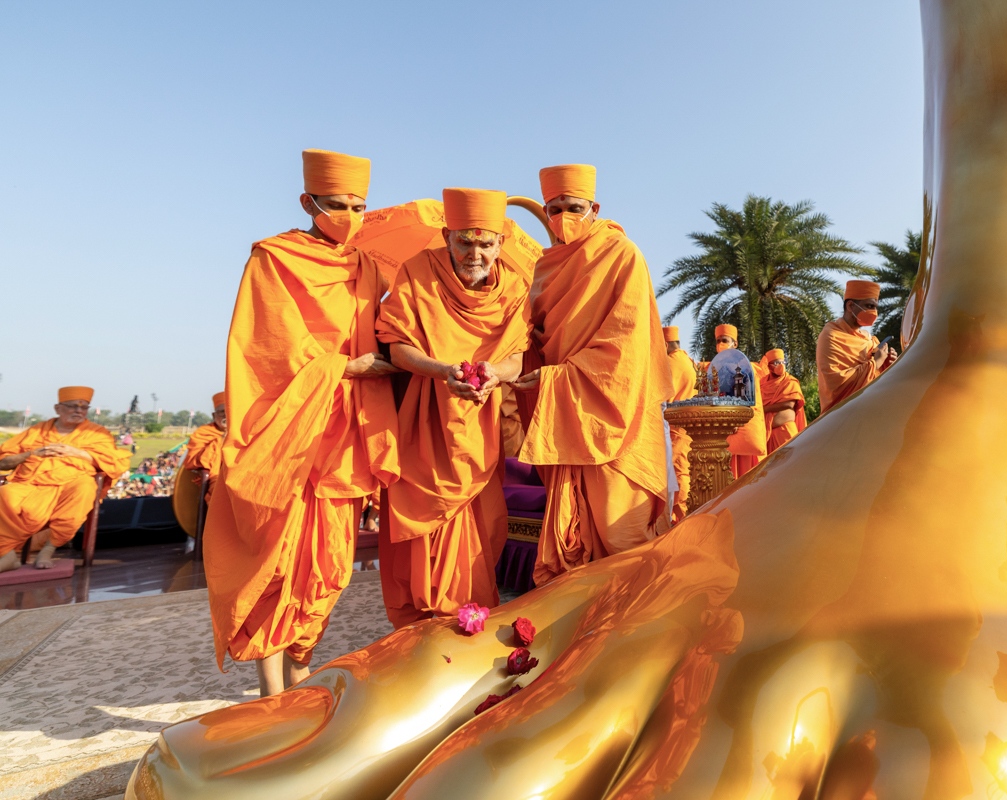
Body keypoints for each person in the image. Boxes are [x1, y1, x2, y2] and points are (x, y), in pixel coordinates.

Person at [203, 148, 400, 697]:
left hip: (346, 432)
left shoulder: (368, 267)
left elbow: (384, 328)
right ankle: (273, 691)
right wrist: (346, 366)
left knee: (329, 568)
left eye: (358, 206)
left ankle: (301, 668)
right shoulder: (273, 259)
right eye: (336, 205)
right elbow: (268, 348)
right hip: (288, 434)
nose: (348, 217)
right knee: (278, 561)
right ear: (307, 202)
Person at [376, 188, 532, 627]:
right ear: (447, 236)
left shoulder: (516, 287)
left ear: (500, 243)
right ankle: (421, 625)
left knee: (481, 524)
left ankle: (466, 620)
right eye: (464, 242)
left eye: (486, 244)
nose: (474, 254)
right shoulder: (417, 272)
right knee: (422, 528)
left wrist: (494, 374)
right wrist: (443, 371)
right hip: (425, 420)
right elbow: (397, 346)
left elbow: (519, 356)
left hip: (480, 426)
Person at [511, 164, 672, 584]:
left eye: (574, 208)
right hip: (565, 416)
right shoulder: (544, 267)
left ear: (595, 208)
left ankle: (635, 622)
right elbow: (539, 337)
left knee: (623, 538)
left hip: (617, 420)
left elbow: (625, 348)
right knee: (576, 546)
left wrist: (556, 378)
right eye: (554, 209)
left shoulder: (622, 255)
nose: (563, 217)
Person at [0, 387, 130, 571]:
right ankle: (7, 554)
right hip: (30, 483)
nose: (78, 411)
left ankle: (47, 550)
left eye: (83, 407)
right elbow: (3, 462)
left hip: (72, 484)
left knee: (84, 489)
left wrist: (76, 452)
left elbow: (114, 463)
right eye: (72, 406)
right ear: (57, 408)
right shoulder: (36, 431)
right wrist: (32, 453)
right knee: (5, 494)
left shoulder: (97, 433)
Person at [816, 280, 897, 413]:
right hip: (842, 414)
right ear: (850, 306)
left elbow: (879, 379)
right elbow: (836, 384)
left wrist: (887, 364)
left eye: (875, 307)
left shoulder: (869, 339)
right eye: (869, 306)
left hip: (873, 410)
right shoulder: (831, 335)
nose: (874, 312)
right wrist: (876, 363)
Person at [703, 324, 767, 478]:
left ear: (735, 344)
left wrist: (735, 420)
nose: (720, 344)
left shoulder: (746, 367)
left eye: (724, 340)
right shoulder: (711, 368)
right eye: (718, 341)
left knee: (744, 479)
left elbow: (750, 400)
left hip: (740, 430)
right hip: (719, 432)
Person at [663, 325, 695, 524]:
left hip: (675, 428)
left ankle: (684, 519)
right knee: (682, 472)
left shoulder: (670, 363)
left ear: (665, 344)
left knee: (678, 474)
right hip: (687, 427)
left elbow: (661, 397)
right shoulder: (687, 361)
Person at [760, 348, 805, 453]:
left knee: (791, 461)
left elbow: (789, 404)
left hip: (786, 432)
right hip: (766, 434)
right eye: (777, 363)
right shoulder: (761, 383)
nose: (781, 365)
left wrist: (762, 409)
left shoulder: (790, 381)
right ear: (769, 366)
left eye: (782, 362)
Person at [182, 392, 226, 500]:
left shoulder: (244, 432)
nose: (226, 416)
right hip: (217, 477)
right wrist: (221, 440)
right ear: (214, 416)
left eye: (229, 412)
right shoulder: (203, 433)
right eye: (222, 412)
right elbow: (192, 460)